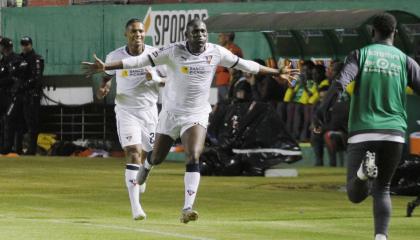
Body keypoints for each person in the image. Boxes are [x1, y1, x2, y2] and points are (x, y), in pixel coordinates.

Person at [82, 19, 298, 224]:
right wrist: (107, 66)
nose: (201, 35)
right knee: (155, 157)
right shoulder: (174, 50)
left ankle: (187, 208)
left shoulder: (216, 52)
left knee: (193, 154)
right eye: (196, 32)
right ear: (187, 35)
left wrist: (277, 71)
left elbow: (247, 66)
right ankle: (146, 169)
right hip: (170, 113)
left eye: (203, 31)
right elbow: (138, 60)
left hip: (196, 114)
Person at [316, 13, 420, 240]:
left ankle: (363, 173)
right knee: (382, 189)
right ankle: (381, 237)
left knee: (355, 194)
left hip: (363, 130)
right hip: (394, 133)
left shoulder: (360, 55)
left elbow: (341, 82)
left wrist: (323, 108)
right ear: (395, 33)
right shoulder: (405, 60)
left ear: (373, 32)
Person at [96, 19, 166, 220]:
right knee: (133, 152)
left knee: (149, 154)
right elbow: (106, 77)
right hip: (126, 111)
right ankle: (136, 207)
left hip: (150, 112)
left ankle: (143, 175)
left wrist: (156, 79)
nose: (138, 35)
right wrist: (104, 88)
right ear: (126, 34)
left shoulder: (156, 55)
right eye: (134, 32)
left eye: (141, 31)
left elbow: (170, 81)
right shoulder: (115, 56)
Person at [15, 36, 44, 155]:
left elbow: (36, 78)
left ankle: (31, 150)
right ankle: (18, 149)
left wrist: (23, 86)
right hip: (19, 95)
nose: (24, 47)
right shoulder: (19, 58)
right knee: (18, 122)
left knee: (31, 123)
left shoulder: (36, 58)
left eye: (26, 44)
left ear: (31, 45)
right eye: (23, 44)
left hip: (31, 95)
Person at [0, 37, 28, 155]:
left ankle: (10, 147)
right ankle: (4, 147)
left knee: (11, 121)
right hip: (3, 94)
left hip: (13, 95)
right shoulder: (3, 60)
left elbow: (15, 78)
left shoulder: (16, 59)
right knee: (3, 121)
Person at [215, 32, 243, 102]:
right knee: (221, 107)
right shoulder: (225, 50)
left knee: (227, 104)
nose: (218, 38)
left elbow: (232, 71)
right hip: (221, 82)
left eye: (220, 36)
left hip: (227, 83)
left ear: (227, 37)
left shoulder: (233, 49)